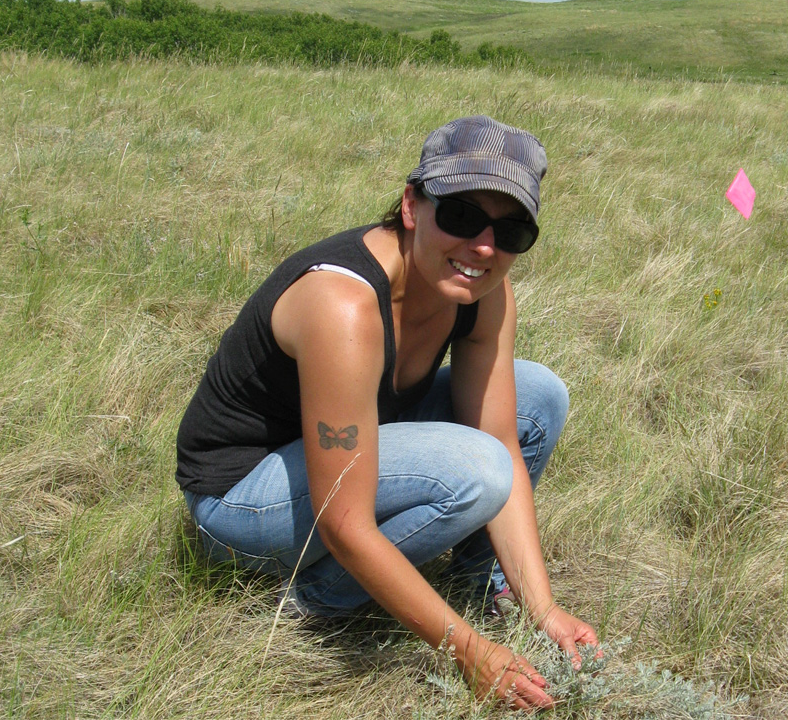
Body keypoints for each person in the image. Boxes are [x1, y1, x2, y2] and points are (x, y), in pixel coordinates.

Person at [176, 115, 600, 710]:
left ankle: (481, 584)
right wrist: (469, 653)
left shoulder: (482, 288)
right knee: (477, 471)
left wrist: (545, 607)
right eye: (460, 216)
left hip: (336, 461)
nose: (483, 246)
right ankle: (313, 598)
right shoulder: (343, 303)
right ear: (410, 205)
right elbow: (343, 519)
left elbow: (504, 436)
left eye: (512, 233)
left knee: (538, 395)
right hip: (239, 500)